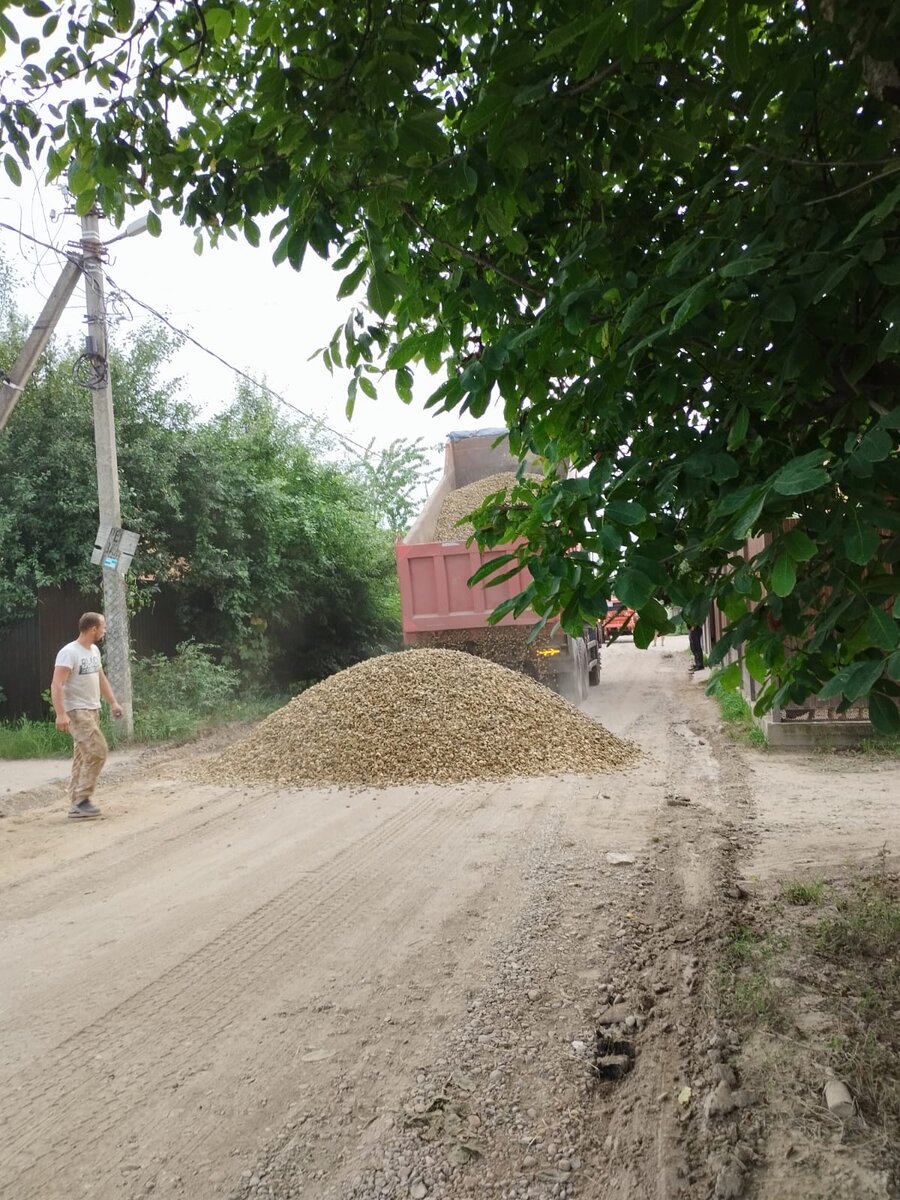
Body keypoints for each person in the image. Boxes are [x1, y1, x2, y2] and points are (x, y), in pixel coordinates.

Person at [50, 612, 123, 819]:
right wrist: (61, 714)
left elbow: (100, 678)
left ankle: (76, 803)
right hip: (76, 711)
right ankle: (82, 800)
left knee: (82, 757)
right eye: (103, 626)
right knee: (98, 751)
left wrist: (113, 702)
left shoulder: (93, 651)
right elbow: (57, 684)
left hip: (92, 709)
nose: (104, 630)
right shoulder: (69, 653)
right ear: (93, 629)